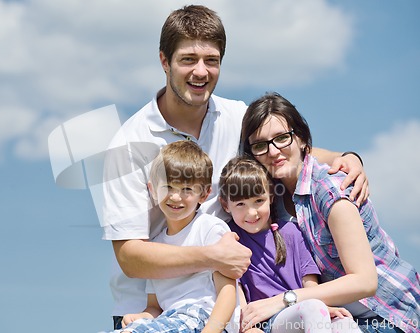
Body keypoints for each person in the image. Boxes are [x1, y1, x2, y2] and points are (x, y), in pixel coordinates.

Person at [102, 5, 369, 329]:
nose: (201, 71)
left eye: (211, 61)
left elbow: (281, 149)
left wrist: (345, 157)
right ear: (164, 61)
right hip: (153, 312)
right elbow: (130, 257)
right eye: (188, 59)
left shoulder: (235, 116)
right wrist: (213, 255)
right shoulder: (129, 143)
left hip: (227, 308)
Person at [238, 92, 420, 333]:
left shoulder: (331, 189)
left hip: (387, 313)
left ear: (301, 139)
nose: (273, 151)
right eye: (261, 145)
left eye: (282, 138)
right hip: (335, 315)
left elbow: (365, 281)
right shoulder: (270, 198)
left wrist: (282, 300)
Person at [219, 156, 362, 333]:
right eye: (240, 204)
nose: (251, 212)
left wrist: (326, 309)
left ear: (270, 196)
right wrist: (245, 328)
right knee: (313, 309)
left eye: (258, 201)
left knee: (344, 323)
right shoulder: (230, 238)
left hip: (301, 309)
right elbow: (235, 289)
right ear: (225, 205)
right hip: (267, 322)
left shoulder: (291, 232)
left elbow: (310, 283)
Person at [105, 140, 237, 333]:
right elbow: (155, 307)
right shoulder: (156, 246)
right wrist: (141, 317)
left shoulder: (210, 228)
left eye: (187, 189)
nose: (176, 197)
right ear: (153, 190)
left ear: (204, 194)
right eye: (168, 187)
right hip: (170, 318)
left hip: (204, 318)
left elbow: (227, 293)